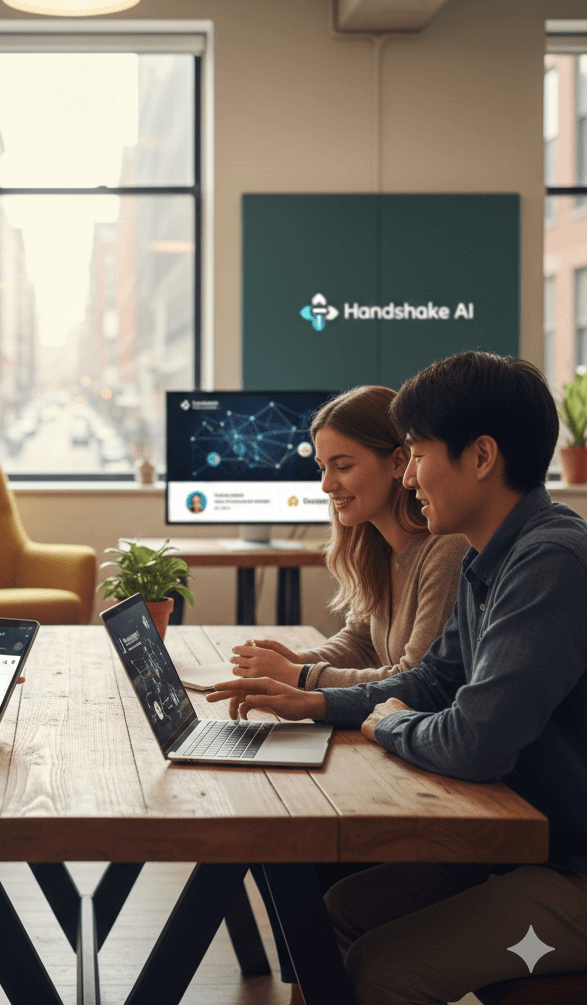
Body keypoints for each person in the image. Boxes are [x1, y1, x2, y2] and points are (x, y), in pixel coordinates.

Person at [208, 352, 587, 1005]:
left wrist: (389, 724)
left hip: (571, 871)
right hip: (521, 845)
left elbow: (475, 740)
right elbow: (437, 681)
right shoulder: (487, 558)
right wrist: (315, 701)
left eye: (416, 453)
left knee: (382, 971)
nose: (409, 476)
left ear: (481, 456)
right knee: (329, 915)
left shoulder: (549, 560)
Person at [230, 385, 468, 691]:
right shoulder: (376, 546)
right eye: (322, 468)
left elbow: (417, 679)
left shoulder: (447, 549)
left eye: (343, 466)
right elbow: (361, 642)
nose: (327, 485)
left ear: (399, 463)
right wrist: (295, 662)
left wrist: (299, 676)